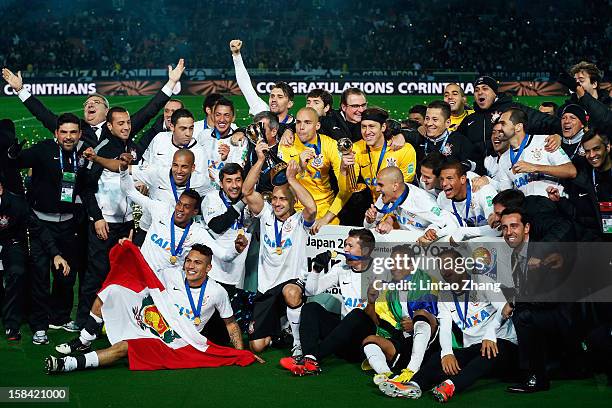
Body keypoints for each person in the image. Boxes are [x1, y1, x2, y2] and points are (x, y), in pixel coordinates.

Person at [45, 245, 260, 374]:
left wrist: (240, 352)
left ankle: (69, 364)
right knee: (111, 292)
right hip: (152, 320)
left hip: (175, 340)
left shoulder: (217, 292)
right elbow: (142, 271)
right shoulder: (170, 274)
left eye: (198, 263)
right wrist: (127, 248)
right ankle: (83, 340)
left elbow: (231, 324)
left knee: (125, 348)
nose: (191, 266)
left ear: (209, 268)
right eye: (189, 261)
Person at [387, 249, 516, 402]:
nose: (445, 269)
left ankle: (451, 385)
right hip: (473, 350)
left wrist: (491, 333)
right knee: (439, 357)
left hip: (504, 347)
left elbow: (505, 310)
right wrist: (447, 353)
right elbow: (445, 328)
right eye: (441, 266)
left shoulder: (482, 281)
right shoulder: (445, 294)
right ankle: (414, 385)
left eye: (450, 264)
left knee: (492, 350)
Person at [8, 113, 89, 343]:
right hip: (41, 224)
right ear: (56, 134)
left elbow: (87, 186)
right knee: (40, 276)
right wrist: (13, 153)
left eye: (73, 132)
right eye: (64, 132)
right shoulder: (43, 150)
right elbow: (20, 161)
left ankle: (61, 316)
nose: (68, 137)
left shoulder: (84, 155)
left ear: (80, 134)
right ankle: (39, 325)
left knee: (66, 276)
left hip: (70, 225)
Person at [2, 60, 184, 148]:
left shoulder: (120, 127)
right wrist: (20, 90)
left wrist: (171, 84)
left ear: (107, 111)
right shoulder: (73, 129)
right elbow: (43, 114)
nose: (89, 105)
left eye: (96, 102)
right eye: (87, 103)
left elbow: (149, 111)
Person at [241, 153, 317, 355]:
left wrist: (292, 179)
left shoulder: (301, 221)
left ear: (293, 202)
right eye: (274, 198)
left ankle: (298, 343)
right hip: (266, 289)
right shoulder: (266, 214)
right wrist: (258, 160)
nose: (277, 203)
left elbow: (311, 207)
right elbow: (247, 191)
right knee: (256, 345)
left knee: (291, 293)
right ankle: (282, 333)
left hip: (292, 284)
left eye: (283, 199)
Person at [279, 229, 377, 376]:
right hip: (341, 339)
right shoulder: (341, 268)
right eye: (345, 245)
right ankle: (308, 356)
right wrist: (316, 269)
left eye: (350, 246)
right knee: (311, 308)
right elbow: (311, 291)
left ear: (365, 250)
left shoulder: (380, 271)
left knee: (357, 314)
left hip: (363, 341)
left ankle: (312, 358)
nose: (345, 249)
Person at [0, 178, 69, 341]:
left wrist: (55, 254)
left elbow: (39, 229)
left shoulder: (16, 204)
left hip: (12, 244)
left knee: (19, 272)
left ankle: (14, 325)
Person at [361, 244, 439, 387]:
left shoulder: (428, 281)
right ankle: (386, 375)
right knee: (369, 340)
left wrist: (415, 322)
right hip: (404, 340)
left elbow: (434, 315)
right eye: (392, 263)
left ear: (410, 265)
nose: (394, 267)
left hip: (431, 340)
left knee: (421, 315)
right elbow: (374, 320)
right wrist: (371, 301)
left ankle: (412, 370)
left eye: (399, 263)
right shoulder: (389, 290)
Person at [456, 76, 562, 171]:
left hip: (513, 168)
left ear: (495, 93)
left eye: (485, 88)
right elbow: (456, 141)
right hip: (479, 173)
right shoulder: (470, 120)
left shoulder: (513, 109)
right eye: (476, 90)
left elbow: (546, 122)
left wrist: (559, 135)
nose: (480, 92)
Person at [338, 107, 417, 226]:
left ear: (383, 127)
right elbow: (347, 189)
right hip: (377, 213)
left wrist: (389, 219)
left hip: (405, 216)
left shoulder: (404, 150)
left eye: (372, 126)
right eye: (363, 126)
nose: (366, 131)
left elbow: (403, 192)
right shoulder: (357, 149)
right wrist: (343, 169)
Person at [279, 107, 349, 231]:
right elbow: (282, 185)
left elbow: (346, 189)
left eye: (307, 123)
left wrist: (326, 219)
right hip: (294, 210)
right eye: (298, 122)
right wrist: (300, 167)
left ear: (317, 126)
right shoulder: (286, 145)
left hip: (324, 208)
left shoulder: (330, 145)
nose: (301, 127)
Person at [496, 108, 577, 198]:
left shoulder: (545, 141)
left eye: (503, 124)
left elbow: (571, 171)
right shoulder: (504, 159)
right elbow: (506, 194)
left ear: (518, 127)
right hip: (528, 208)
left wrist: (535, 167)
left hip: (553, 205)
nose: (498, 128)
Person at [364, 167, 458, 243]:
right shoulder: (386, 196)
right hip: (404, 245)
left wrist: (433, 232)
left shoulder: (423, 202)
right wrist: (369, 220)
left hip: (425, 247)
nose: (376, 189)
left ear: (395, 186)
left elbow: (453, 225)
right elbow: (368, 228)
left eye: (381, 185)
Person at [229, 40, 295, 125]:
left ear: (289, 104)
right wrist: (236, 55)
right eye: (272, 96)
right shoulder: (261, 110)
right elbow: (245, 85)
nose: (274, 100)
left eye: (280, 97)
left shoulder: (297, 126)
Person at [435, 159, 499, 241]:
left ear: (462, 179)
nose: (444, 184)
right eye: (441, 179)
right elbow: (442, 223)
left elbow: (497, 230)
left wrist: (464, 232)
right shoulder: (442, 199)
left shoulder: (483, 191)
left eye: (449, 178)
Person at [141, 109, 207, 172]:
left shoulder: (199, 152)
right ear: (172, 127)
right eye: (183, 129)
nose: (188, 133)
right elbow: (145, 162)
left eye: (191, 128)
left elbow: (199, 180)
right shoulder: (160, 138)